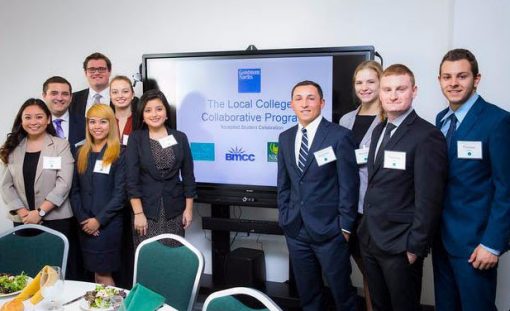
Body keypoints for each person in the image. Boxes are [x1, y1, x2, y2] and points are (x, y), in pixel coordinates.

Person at [357, 64, 448, 311]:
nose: (393, 95)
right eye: (387, 89)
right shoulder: (378, 131)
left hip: (400, 245)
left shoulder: (427, 135)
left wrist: (415, 248)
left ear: (414, 91)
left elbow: (429, 198)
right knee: (379, 305)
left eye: (401, 89)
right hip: (371, 239)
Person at [432, 49, 510, 311]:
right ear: (440, 80)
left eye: (462, 76)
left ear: (476, 79)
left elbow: (506, 188)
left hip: (476, 245)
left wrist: (493, 244)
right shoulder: (441, 120)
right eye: (447, 77)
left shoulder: (497, 121)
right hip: (442, 240)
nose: (453, 83)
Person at [277, 80, 359, 311]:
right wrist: (285, 216)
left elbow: (348, 185)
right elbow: (283, 184)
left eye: (311, 98)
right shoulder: (285, 137)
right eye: (299, 98)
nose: (305, 104)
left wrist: (344, 227)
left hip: (330, 231)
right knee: (308, 296)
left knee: (343, 295)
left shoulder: (339, 136)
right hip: (296, 230)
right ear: (292, 104)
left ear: (322, 103)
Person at [0, 99, 75, 275]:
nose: (33, 122)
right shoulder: (12, 147)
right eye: (28, 117)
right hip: (22, 220)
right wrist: (23, 213)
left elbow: (64, 183)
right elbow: (6, 185)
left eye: (39, 117)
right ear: (21, 120)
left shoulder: (60, 145)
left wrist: (39, 212)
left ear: (48, 119)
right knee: (26, 268)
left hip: (56, 219)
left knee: (56, 271)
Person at [339, 60, 384, 311]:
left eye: (370, 81)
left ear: (381, 83)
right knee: (365, 270)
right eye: (359, 82)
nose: (364, 87)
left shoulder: (390, 118)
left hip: (376, 211)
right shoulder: (346, 119)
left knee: (376, 274)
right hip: (349, 209)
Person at [126, 89, 195, 249]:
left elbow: (188, 176)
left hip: (175, 212)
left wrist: (189, 209)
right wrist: (138, 213)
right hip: (146, 212)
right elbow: (131, 180)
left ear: (166, 113)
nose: (154, 114)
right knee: (149, 261)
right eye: (148, 110)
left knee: (173, 260)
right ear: (142, 116)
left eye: (159, 109)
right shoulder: (136, 139)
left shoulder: (180, 137)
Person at [70, 104, 125, 286]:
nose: (97, 126)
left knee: (103, 273)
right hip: (84, 225)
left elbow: (120, 195)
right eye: (92, 122)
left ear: (111, 125)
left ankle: (116, 307)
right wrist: (84, 219)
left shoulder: (120, 153)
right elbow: (74, 191)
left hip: (108, 226)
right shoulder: (80, 152)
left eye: (103, 122)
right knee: (95, 274)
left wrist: (98, 221)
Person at [42, 76, 85, 156]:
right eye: (54, 93)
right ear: (44, 95)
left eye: (65, 94)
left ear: (71, 97)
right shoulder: (35, 125)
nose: (59, 98)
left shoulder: (85, 124)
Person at [70, 52, 112, 120]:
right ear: (85, 73)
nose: (97, 73)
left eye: (101, 69)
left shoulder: (121, 98)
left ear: (109, 71)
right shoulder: (73, 99)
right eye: (92, 69)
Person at [110, 75, 139, 145]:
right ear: (110, 96)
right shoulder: (104, 121)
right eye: (115, 92)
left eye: (125, 91)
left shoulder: (142, 121)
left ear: (132, 95)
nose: (120, 96)